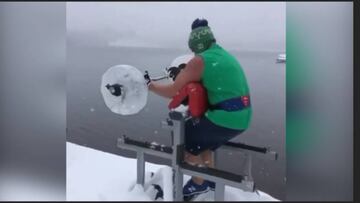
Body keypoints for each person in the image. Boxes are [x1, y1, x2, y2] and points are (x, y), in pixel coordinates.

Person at [144, 18, 252, 200]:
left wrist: (150, 85)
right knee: (203, 143)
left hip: (224, 119)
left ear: (196, 44)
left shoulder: (199, 61)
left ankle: (198, 184)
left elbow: (173, 91)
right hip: (242, 118)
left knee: (184, 138)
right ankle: (209, 178)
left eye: (192, 49)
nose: (192, 53)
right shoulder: (223, 55)